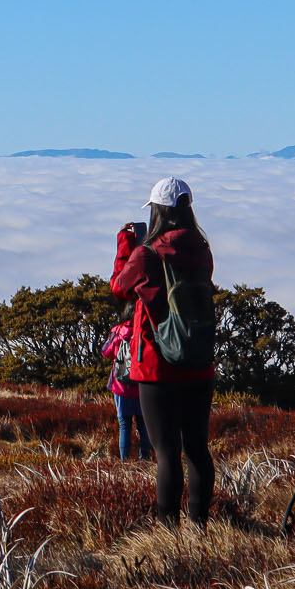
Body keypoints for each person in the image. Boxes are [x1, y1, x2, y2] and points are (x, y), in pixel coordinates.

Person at [111, 177, 217, 528]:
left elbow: (120, 288)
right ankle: (199, 526)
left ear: (156, 211)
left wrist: (126, 246)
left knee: (167, 453)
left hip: (157, 368)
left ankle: (168, 530)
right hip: (199, 363)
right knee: (197, 450)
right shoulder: (202, 250)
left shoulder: (147, 254)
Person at [101, 320, 153, 461]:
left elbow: (106, 352)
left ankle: (125, 460)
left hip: (121, 386)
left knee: (124, 425)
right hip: (142, 384)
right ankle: (145, 458)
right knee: (143, 424)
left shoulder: (118, 331)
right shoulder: (146, 329)